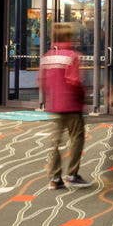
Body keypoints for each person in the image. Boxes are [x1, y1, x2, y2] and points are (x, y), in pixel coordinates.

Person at [40, 22, 87, 190]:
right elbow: (74, 81)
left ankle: (55, 177)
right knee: (77, 138)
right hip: (72, 104)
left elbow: (42, 82)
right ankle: (72, 173)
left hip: (55, 105)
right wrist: (83, 97)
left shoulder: (47, 56)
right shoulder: (72, 56)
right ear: (69, 37)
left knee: (55, 142)